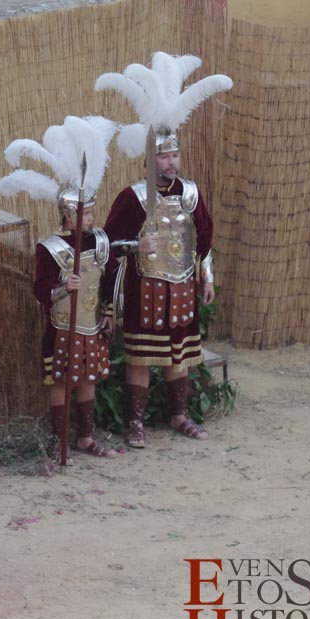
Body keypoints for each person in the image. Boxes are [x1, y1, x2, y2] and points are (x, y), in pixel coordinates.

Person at [102, 136, 215, 448]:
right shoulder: (133, 197)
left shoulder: (190, 193)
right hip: (145, 291)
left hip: (182, 288)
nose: (171, 162)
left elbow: (204, 239)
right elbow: (107, 244)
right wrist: (136, 245)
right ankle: (135, 422)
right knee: (140, 357)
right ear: (151, 161)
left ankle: (179, 415)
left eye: (175, 155)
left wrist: (207, 278)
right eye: (165, 157)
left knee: (178, 355)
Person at [34, 189, 118, 459]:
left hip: (91, 324)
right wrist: (64, 287)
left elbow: (111, 279)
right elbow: (40, 289)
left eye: (91, 213)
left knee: (88, 379)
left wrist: (109, 311)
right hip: (62, 327)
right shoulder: (50, 248)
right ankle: (59, 442)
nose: (92, 218)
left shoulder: (100, 241)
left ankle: (86, 438)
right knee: (61, 382)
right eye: (86, 213)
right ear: (69, 216)